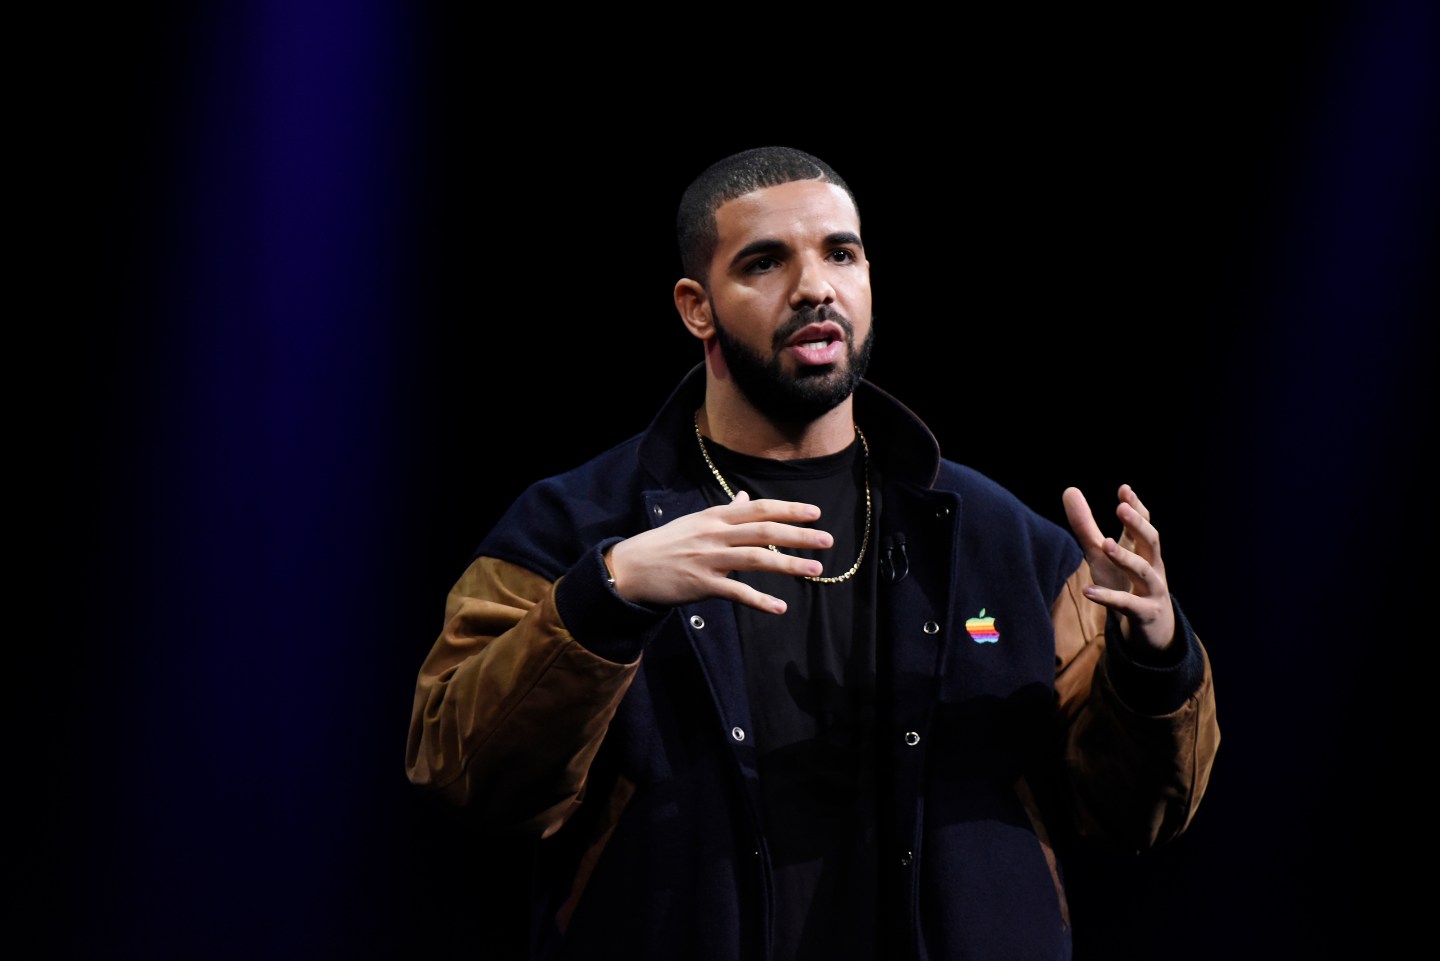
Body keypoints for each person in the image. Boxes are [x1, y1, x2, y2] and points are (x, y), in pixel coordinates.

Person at [405, 145, 1220, 961]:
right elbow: (460, 772)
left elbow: (1133, 813)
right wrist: (605, 599)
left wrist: (1152, 659)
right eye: (766, 261)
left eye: (841, 252)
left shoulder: (1002, 539)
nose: (814, 287)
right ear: (697, 306)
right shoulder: (573, 526)